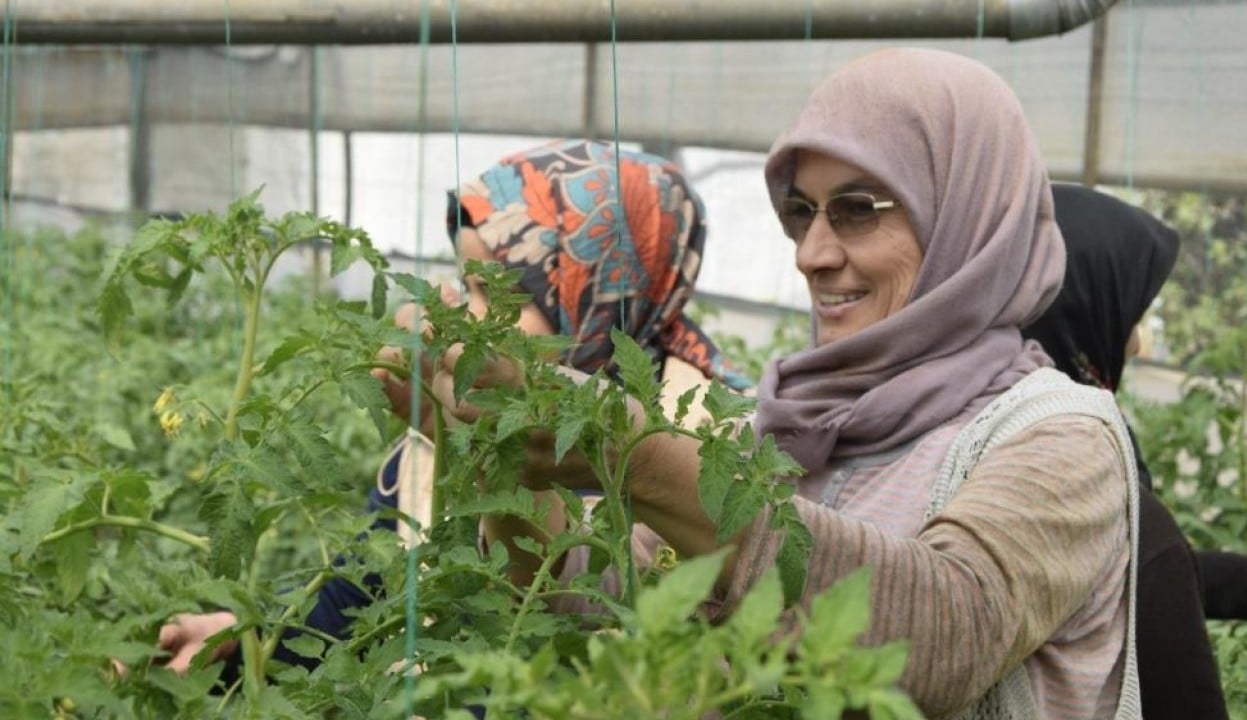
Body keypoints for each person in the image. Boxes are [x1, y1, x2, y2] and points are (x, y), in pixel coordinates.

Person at [430, 49, 1142, 718]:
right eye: (800, 212)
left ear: (968, 213)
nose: (811, 254)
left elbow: (944, 631)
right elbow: (592, 594)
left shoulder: (1061, 436)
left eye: (857, 208)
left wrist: (636, 456)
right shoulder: (780, 425)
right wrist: (493, 446)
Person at [155, 138, 750, 676]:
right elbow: (354, 599)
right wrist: (250, 641)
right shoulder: (441, 437)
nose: (464, 313)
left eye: (494, 292)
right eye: (464, 285)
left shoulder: (701, 455)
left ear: (600, 289)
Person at [1027, 182, 1247, 718]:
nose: (1138, 343)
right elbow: (1141, 582)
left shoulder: (1023, 414)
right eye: (1128, 315)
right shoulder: (1069, 448)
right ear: (1080, 300)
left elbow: (1119, 572)